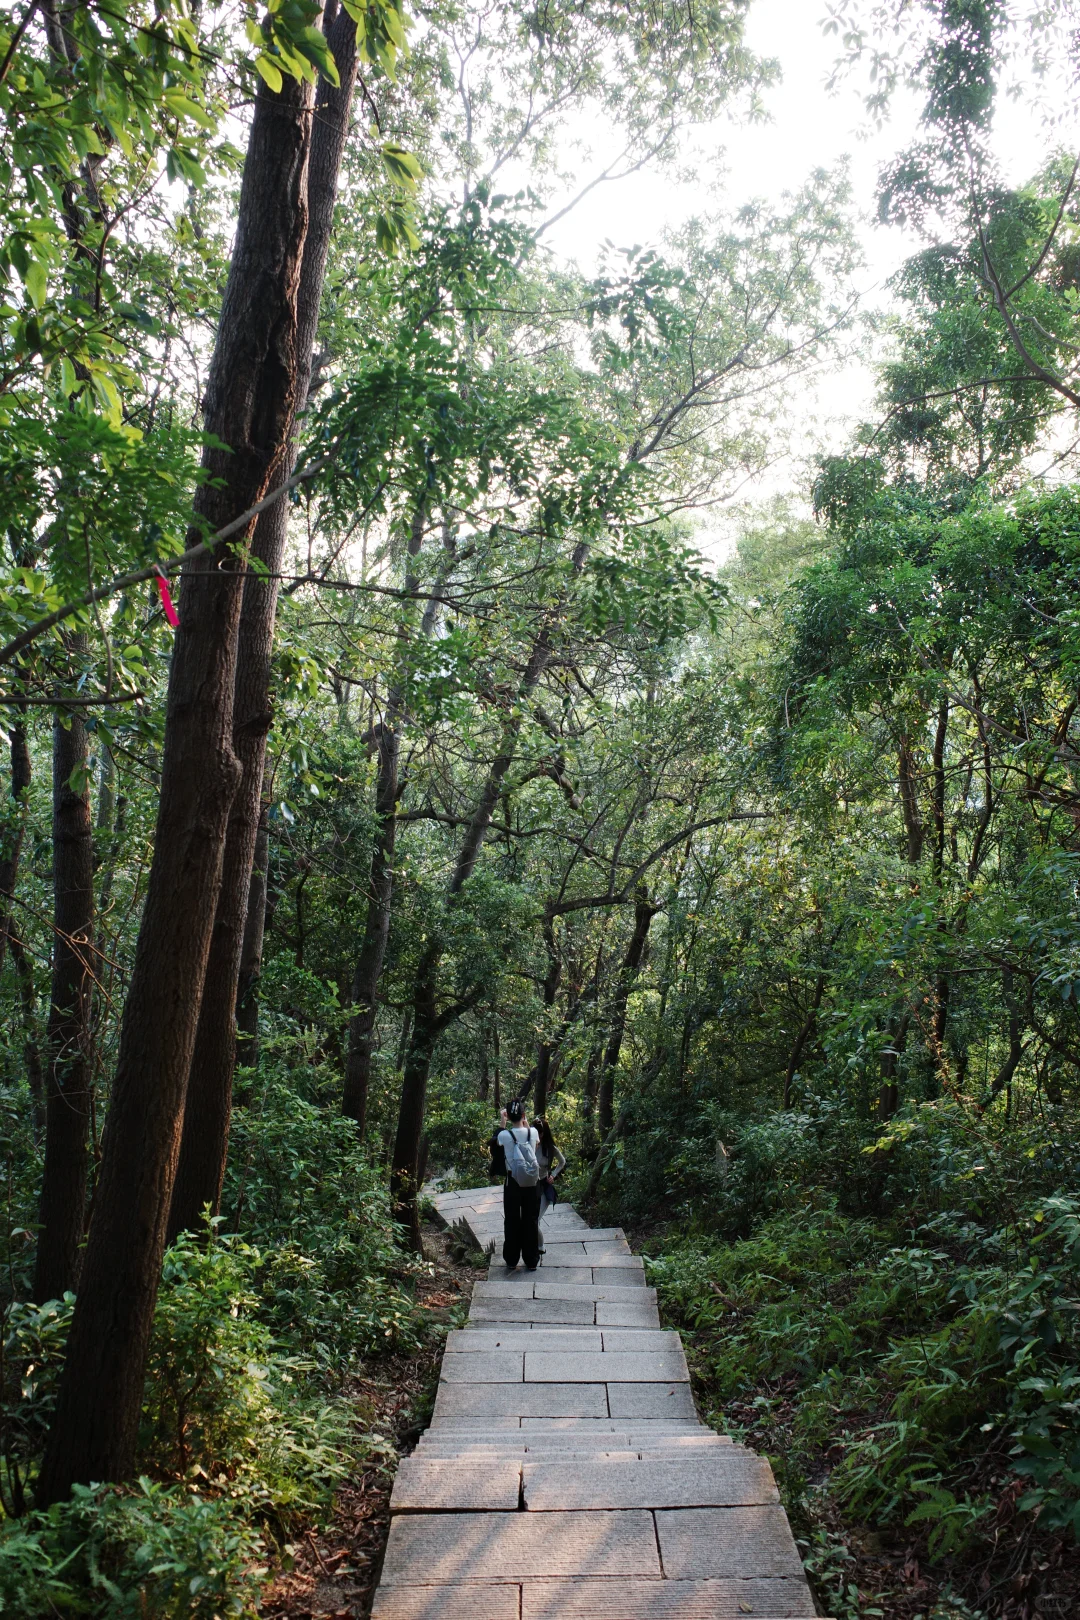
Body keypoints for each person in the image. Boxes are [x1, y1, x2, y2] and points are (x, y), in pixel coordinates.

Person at [498, 1098, 542, 1271]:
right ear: (524, 1115)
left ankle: (511, 1259)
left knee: (512, 1219)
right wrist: (527, 1123)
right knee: (531, 1220)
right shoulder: (534, 1133)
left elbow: (497, 1141)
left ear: (508, 1116)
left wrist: (503, 1122)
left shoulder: (504, 1135)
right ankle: (531, 1260)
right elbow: (535, 1145)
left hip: (513, 1183)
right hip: (532, 1182)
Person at [534, 1117, 566, 1252]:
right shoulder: (529, 1144)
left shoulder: (550, 1149)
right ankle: (533, 1244)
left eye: (539, 1133)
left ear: (543, 1133)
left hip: (544, 1187)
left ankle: (541, 1247)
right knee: (531, 1218)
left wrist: (553, 1175)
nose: (537, 1136)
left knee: (534, 1221)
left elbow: (562, 1162)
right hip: (530, 1187)